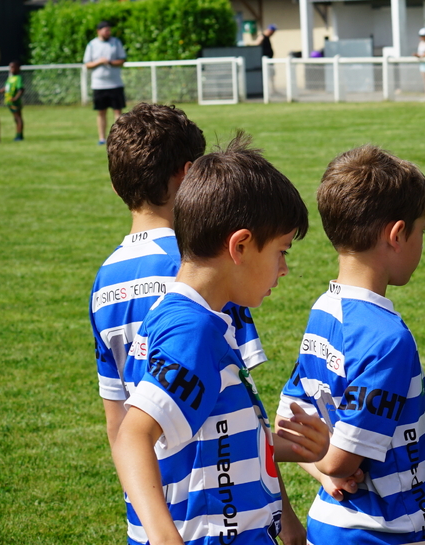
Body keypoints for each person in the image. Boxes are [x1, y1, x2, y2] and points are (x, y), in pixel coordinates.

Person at [113, 133, 326, 545]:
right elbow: (133, 437)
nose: (284, 269)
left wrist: (291, 447)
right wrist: (165, 539)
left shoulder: (201, 321)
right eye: (282, 251)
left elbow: (206, 435)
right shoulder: (191, 331)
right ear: (240, 246)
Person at [278, 145, 425, 545]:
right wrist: (330, 467)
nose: (422, 240)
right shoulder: (387, 339)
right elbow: (340, 460)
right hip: (383, 534)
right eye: (422, 230)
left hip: (331, 524)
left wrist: (324, 473)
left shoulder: (323, 310)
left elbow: (288, 428)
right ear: (397, 235)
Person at [83, 21, 127, 145]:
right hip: (99, 85)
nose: (108, 32)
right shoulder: (92, 44)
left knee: (118, 112)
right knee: (101, 112)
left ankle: (119, 138)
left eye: (109, 30)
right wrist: (99, 62)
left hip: (115, 83)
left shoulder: (116, 42)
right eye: (106, 30)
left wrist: (110, 62)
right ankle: (102, 138)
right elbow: (87, 64)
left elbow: (122, 60)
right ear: (99, 31)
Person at [2, 60, 24, 141]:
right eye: (10, 67)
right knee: (15, 118)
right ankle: (19, 135)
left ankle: (19, 136)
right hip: (9, 101)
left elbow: (21, 89)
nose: (11, 69)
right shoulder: (10, 78)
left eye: (13, 67)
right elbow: (7, 87)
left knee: (18, 118)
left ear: (18, 68)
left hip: (15, 102)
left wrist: (15, 98)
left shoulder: (18, 78)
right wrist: (1, 90)